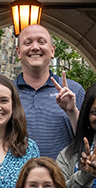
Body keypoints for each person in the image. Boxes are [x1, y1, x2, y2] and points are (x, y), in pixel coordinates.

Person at [15, 24, 85, 160]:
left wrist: (72, 112)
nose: (35, 47)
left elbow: (89, 141)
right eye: (28, 43)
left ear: (52, 50)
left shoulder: (74, 91)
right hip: (18, 173)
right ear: (18, 52)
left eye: (41, 42)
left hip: (63, 172)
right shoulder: (7, 93)